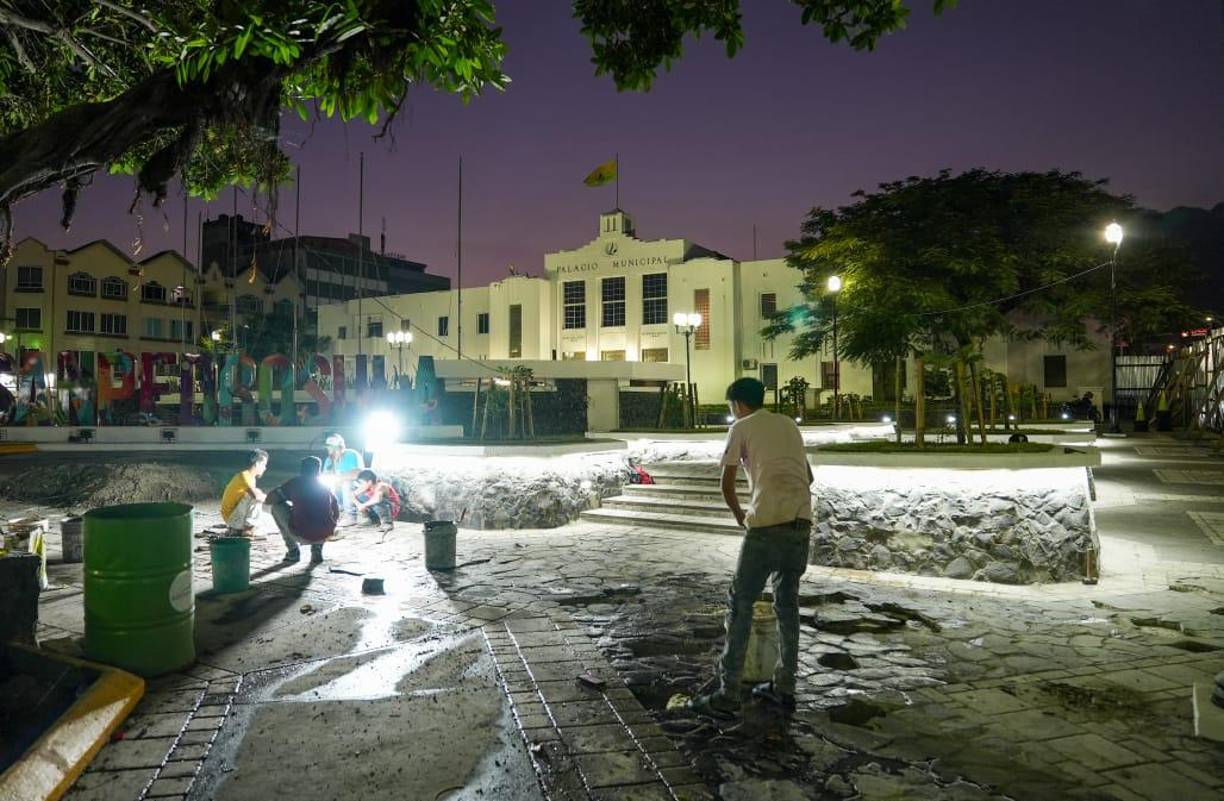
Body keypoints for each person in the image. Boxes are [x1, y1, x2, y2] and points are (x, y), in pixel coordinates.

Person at [689, 377, 813, 718]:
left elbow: (726, 483)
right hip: (801, 523)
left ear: (738, 405)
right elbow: (808, 477)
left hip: (765, 527)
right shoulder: (788, 425)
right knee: (787, 605)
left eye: (731, 407)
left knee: (741, 603)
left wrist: (739, 514)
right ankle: (785, 686)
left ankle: (728, 693)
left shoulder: (741, 427)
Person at [267, 456, 340, 564]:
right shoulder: (325, 486)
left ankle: (293, 552)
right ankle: (317, 549)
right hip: (325, 533)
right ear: (318, 471)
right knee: (321, 515)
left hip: (301, 533)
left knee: (276, 507)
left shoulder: (295, 482)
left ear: (302, 469)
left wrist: (281, 492)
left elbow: (269, 500)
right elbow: (336, 510)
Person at [219, 449, 268, 536]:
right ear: (257, 463)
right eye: (264, 464)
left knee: (268, 519)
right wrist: (275, 498)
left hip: (234, 516)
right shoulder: (245, 477)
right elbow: (256, 496)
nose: (265, 468)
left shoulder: (248, 477)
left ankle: (239, 529)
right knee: (257, 495)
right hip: (232, 518)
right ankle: (247, 529)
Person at [322, 433, 363, 527]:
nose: (328, 449)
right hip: (338, 489)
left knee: (346, 483)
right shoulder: (329, 460)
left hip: (358, 489)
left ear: (338, 447)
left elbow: (356, 474)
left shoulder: (351, 454)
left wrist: (338, 478)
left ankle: (351, 516)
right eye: (328, 446)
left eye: (330, 447)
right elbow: (325, 475)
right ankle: (331, 512)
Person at [354, 469, 401, 533]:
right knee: (360, 497)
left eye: (362, 482)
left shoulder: (382, 486)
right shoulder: (367, 486)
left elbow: (377, 499)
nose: (361, 484)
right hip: (378, 509)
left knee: (377, 500)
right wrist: (358, 505)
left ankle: (387, 523)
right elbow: (351, 495)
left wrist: (363, 505)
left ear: (369, 482)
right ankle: (372, 520)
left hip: (391, 509)